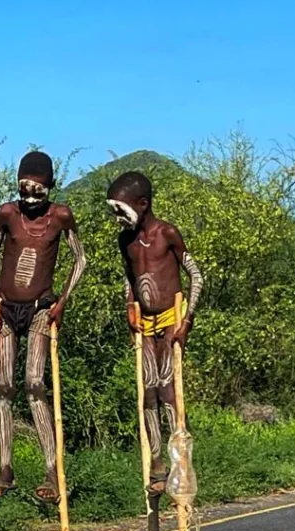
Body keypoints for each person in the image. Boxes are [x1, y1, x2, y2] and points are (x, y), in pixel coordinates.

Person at [0, 151, 87, 504]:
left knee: (34, 383)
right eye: (24, 187)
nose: (29, 195)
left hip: (41, 308)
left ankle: (52, 469)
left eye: (37, 189)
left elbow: (80, 259)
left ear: (49, 186)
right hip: (7, 310)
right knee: (3, 385)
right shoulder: (7, 214)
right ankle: (6, 468)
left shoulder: (61, 217)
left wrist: (62, 302)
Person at [107, 171, 204, 500]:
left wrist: (187, 320)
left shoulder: (168, 234)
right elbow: (129, 278)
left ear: (143, 204)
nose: (117, 218)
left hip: (170, 321)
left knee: (168, 393)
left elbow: (195, 275)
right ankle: (158, 463)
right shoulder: (126, 241)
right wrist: (129, 306)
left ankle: (181, 461)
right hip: (144, 326)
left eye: (122, 210)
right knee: (147, 393)